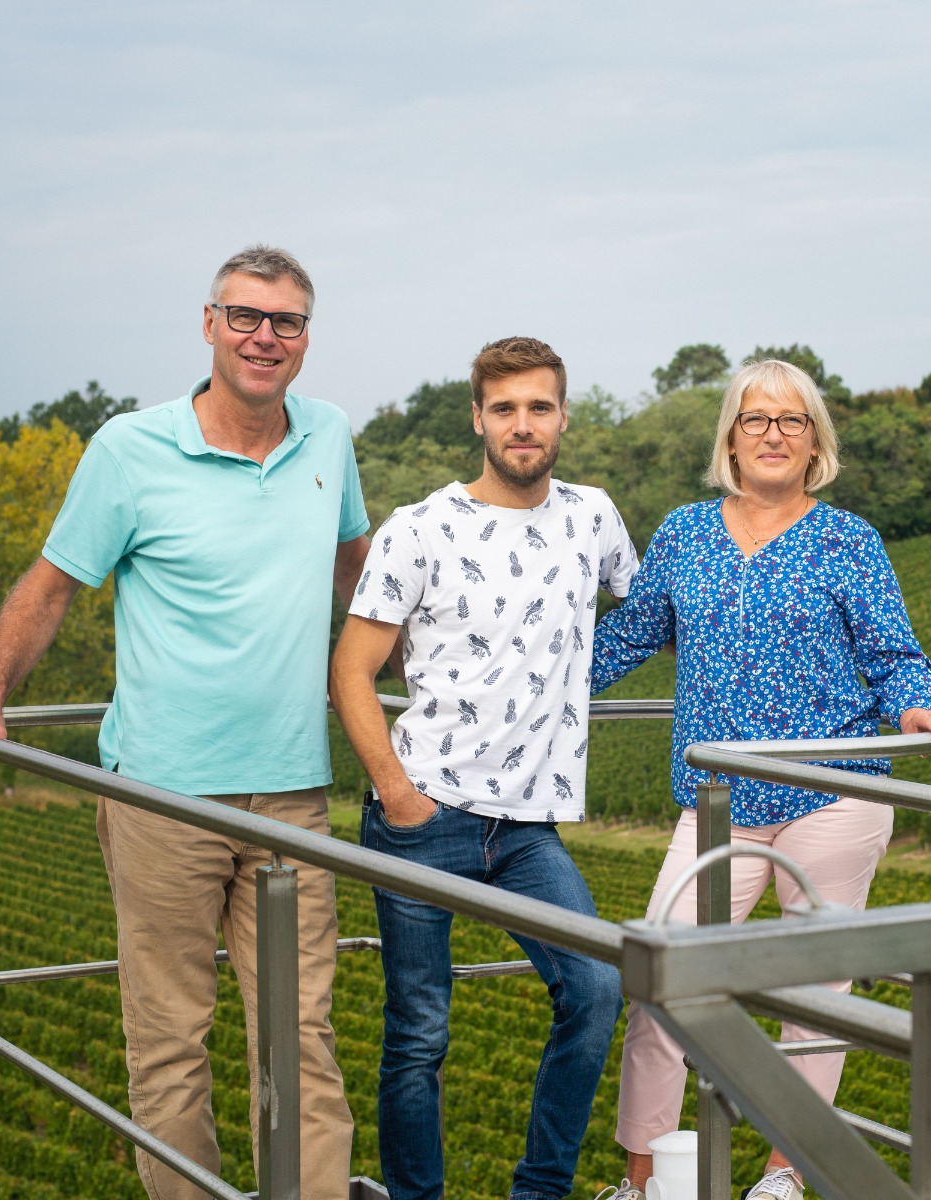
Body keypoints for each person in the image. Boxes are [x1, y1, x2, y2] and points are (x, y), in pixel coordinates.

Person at [0, 245, 367, 1200]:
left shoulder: (328, 435)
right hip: (162, 796)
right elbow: (52, 587)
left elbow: (355, 573)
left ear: (306, 339)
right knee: (169, 1045)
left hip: (292, 796)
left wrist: (418, 674)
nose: (265, 336)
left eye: (285, 321)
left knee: (304, 1046)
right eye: (245, 316)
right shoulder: (131, 448)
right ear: (208, 323)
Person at [590, 358, 931, 1200]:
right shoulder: (685, 533)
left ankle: (785, 1172)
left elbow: (892, 654)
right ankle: (641, 1179)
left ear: (814, 442)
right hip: (716, 803)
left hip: (833, 794)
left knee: (814, 993)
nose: (772, 435)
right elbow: (627, 637)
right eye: (756, 419)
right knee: (660, 980)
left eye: (791, 421)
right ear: (730, 435)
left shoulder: (847, 541)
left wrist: (915, 710)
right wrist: (530, 688)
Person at [329, 336, 637, 1200]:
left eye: (539, 406)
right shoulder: (420, 528)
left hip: (528, 829)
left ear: (564, 415)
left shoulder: (594, 516)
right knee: (419, 1033)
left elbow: (651, 611)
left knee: (597, 988)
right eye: (504, 408)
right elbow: (350, 671)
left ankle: (540, 1192)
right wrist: (399, 794)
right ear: (478, 419)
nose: (523, 424)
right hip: (422, 817)